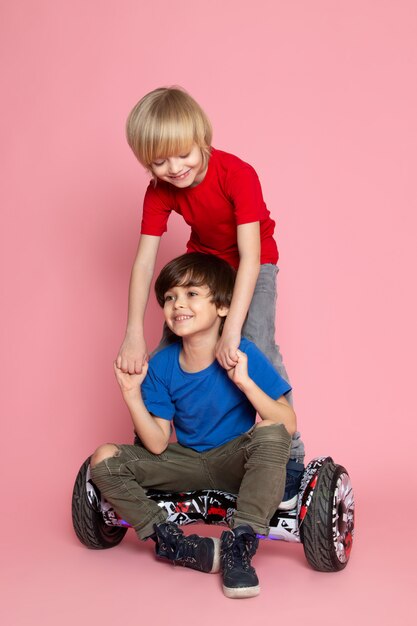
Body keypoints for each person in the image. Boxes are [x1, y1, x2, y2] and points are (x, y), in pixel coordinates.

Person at [115, 85, 304, 463]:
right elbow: (143, 262)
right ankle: (151, 454)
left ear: (202, 138)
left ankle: (290, 456)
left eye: (183, 154)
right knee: (171, 346)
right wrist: (133, 334)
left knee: (255, 344)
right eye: (158, 162)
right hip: (205, 259)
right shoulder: (160, 191)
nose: (174, 169)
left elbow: (249, 257)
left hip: (255, 261)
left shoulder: (237, 173)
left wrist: (232, 328)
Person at [91, 253, 297, 599]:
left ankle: (239, 544)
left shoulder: (243, 352)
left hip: (235, 460)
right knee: (104, 458)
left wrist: (244, 382)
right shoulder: (162, 364)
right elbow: (156, 443)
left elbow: (288, 424)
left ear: (222, 307)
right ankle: (173, 543)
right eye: (170, 297)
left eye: (191, 294)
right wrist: (131, 395)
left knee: (273, 430)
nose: (177, 304)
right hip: (184, 460)